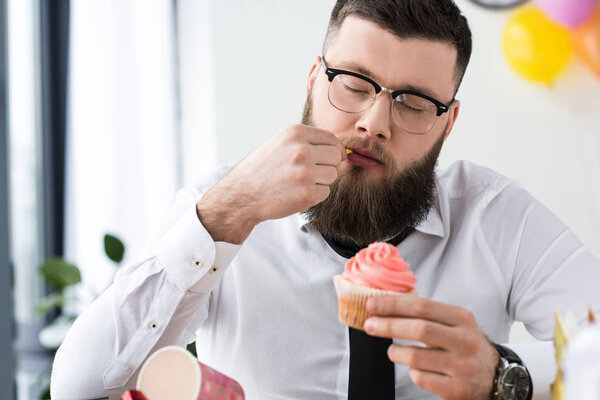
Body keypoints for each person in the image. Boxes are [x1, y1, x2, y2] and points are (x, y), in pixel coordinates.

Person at [51, 0, 600, 399]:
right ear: (315, 80)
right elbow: (78, 387)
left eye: (413, 102)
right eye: (354, 82)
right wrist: (226, 212)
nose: (374, 122)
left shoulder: (496, 217)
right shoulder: (221, 206)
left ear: (448, 123)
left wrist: (505, 377)